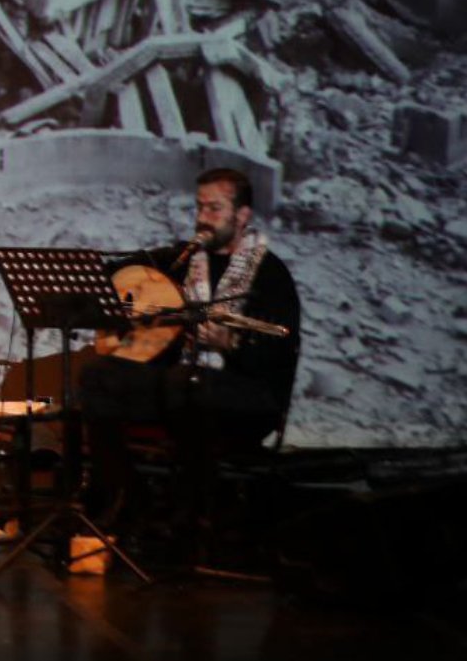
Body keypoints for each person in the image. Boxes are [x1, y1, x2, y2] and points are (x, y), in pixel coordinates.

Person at [78, 167, 301, 539]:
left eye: (214, 208)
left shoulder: (270, 274)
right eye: (199, 207)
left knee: (187, 382)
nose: (202, 218)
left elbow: (279, 351)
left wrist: (230, 344)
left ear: (242, 215)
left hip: (249, 397)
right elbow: (119, 272)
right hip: (179, 388)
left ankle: (188, 514)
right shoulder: (182, 261)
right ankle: (129, 501)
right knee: (99, 376)